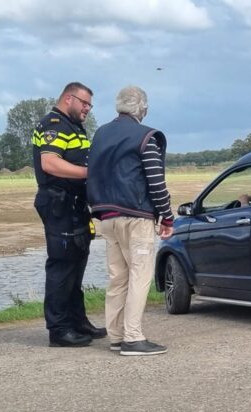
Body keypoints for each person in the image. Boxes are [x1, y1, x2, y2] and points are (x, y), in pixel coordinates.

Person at [87, 86, 173, 356]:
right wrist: (167, 216)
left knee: (118, 277)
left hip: (106, 217)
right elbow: (155, 182)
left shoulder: (100, 134)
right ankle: (133, 338)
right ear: (142, 108)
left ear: (118, 107)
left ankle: (115, 335)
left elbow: (91, 172)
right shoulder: (145, 136)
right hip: (136, 216)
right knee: (140, 275)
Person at [32, 81, 107, 347]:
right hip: (58, 203)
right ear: (68, 99)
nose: (87, 108)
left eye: (90, 105)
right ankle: (59, 329)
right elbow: (50, 163)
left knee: (77, 262)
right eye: (84, 103)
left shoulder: (74, 125)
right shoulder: (54, 124)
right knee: (62, 266)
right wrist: (91, 173)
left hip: (74, 204)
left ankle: (77, 321)